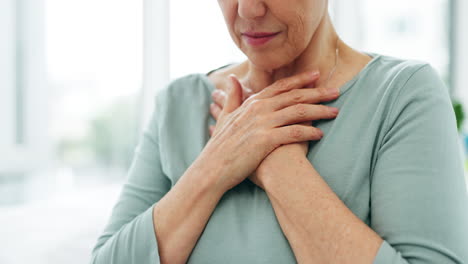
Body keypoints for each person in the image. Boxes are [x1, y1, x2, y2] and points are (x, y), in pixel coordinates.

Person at [90, 0, 468, 263]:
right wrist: (219, 160)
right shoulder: (178, 103)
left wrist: (278, 165)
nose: (247, 10)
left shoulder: (402, 94)